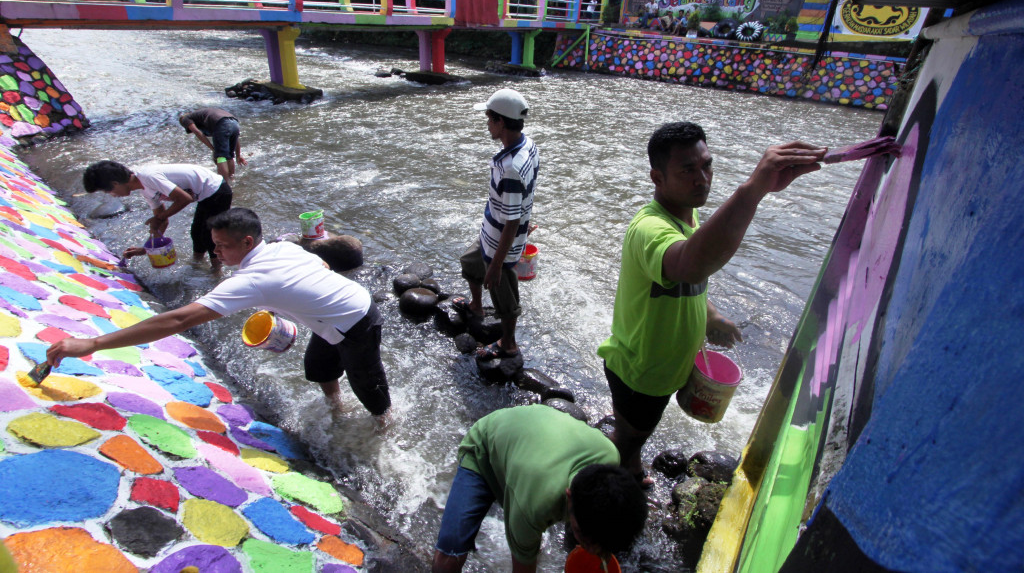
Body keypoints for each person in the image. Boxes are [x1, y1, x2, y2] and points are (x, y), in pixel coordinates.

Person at [598, 122, 825, 488]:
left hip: (666, 366)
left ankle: (631, 465)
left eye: (707, 165)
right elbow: (691, 265)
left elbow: (688, 280)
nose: (702, 178)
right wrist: (752, 191)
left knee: (639, 431)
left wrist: (711, 315)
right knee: (629, 437)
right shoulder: (649, 229)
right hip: (641, 372)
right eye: (687, 170)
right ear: (657, 177)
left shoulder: (689, 217)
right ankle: (613, 482)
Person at [46, 208, 393, 431]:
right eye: (215, 244)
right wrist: (289, 301)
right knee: (317, 368)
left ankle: (384, 424)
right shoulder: (283, 247)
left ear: (247, 241)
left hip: (356, 319)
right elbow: (323, 266)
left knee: (367, 382)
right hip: (332, 314)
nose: (216, 252)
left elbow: (178, 321)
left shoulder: (251, 281)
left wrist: (93, 343)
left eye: (222, 246)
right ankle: (337, 409)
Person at [432, 404, 647, 573]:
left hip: (534, 434)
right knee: (448, 560)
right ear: (569, 497)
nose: (592, 551)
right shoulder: (534, 505)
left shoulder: (610, 455)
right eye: (583, 536)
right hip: (485, 447)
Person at [456, 89, 540, 361]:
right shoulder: (528, 145)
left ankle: (508, 343)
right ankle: (476, 306)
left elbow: (512, 222)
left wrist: (495, 265)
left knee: (503, 293)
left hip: (500, 244)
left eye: (489, 118)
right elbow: (523, 196)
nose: (487, 124)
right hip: (492, 232)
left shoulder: (511, 168)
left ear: (501, 122)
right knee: (469, 261)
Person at [83, 160, 231, 270]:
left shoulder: (148, 177)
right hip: (204, 195)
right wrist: (145, 248)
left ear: (115, 183)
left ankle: (216, 272)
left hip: (217, 190)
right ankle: (197, 264)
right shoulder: (145, 190)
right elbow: (162, 221)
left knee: (208, 236)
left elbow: (185, 199)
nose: (112, 195)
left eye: (107, 191)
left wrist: (159, 218)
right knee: (196, 233)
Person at [179, 108, 246, 180]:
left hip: (221, 123)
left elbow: (197, 132)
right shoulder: (202, 115)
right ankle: (231, 180)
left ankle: (223, 183)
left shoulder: (185, 119)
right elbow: (236, 139)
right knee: (229, 156)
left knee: (221, 157)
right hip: (234, 122)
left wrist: (214, 149)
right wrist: (238, 155)